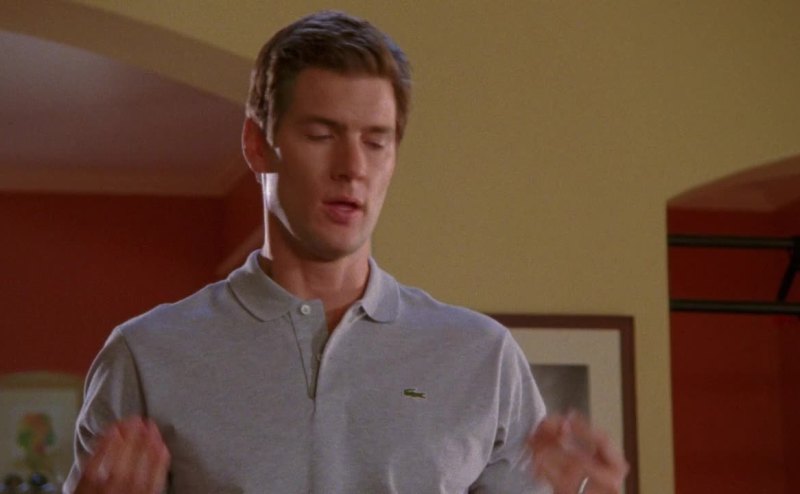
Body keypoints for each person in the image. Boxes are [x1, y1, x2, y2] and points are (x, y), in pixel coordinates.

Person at [64, 10, 628, 494]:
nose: (353, 168)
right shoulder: (146, 357)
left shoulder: (484, 359)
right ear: (257, 144)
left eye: (375, 141)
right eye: (321, 135)